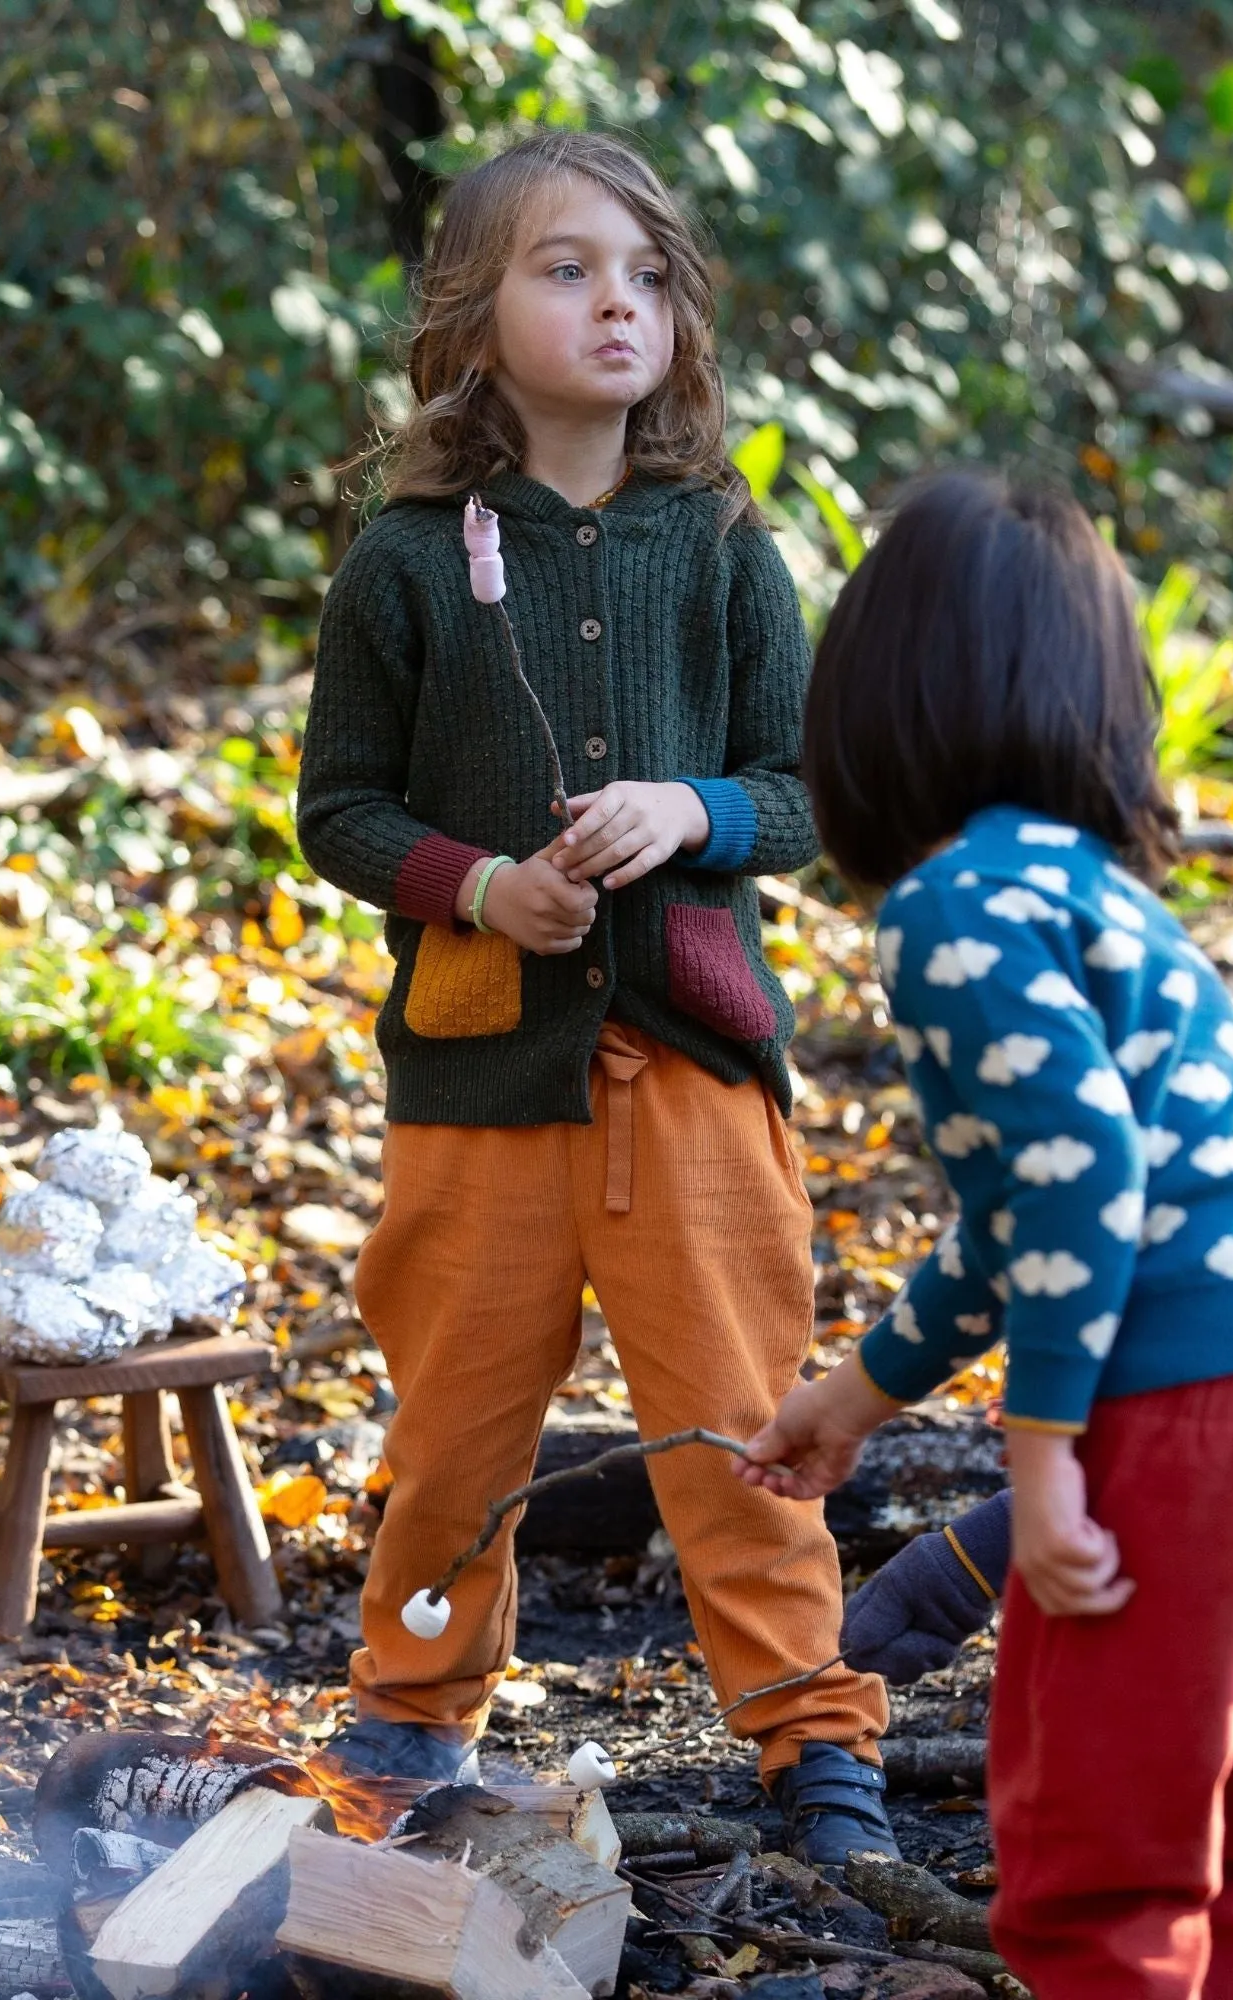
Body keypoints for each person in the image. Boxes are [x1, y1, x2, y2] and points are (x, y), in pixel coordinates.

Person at [295, 130, 893, 1863]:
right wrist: (485, 887)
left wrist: (693, 810)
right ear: (478, 321)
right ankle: (407, 1725)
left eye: (643, 275)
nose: (616, 301)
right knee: (457, 1426)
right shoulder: (405, 561)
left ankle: (813, 1742)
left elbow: (809, 789)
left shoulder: (716, 543)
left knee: (739, 1418)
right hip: (479, 1083)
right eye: (567, 270)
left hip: (693, 1071)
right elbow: (339, 808)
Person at [736, 472, 1233, 1997]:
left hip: (1207, 1414)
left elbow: (1081, 1179)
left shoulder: (952, 906)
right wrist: (858, 1398)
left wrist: (1039, 1469)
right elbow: (1015, 1221)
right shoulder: (1088, 895)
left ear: (875, 702)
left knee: (1095, 1880)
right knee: (1215, 1859)